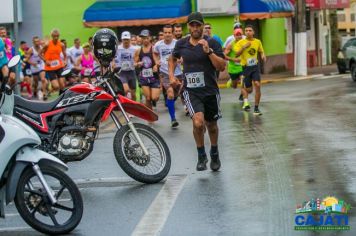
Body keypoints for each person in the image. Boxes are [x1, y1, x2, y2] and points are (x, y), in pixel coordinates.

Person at [169, 12, 225, 171]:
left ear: (202, 25)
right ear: (188, 26)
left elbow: (221, 66)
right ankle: (201, 155)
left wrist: (209, 52)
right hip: (191, 91)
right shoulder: (181, 44)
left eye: (198, 25)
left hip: (210, 91)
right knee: (198, 122)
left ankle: (214, 153)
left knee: (212, 125)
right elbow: (172, 58)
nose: (195, 28)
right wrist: (172, 75)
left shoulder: (212, 42)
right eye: (192, 25)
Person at [154, 25, 183, 128]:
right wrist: (157, 61)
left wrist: (181, 59)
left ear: (172, 33)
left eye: (169, 32)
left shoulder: (177, 43)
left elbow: (182, 54)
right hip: (165, 73)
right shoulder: (158, 45)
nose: (167, 35)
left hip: (178, 73)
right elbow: (155, 53)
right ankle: (173, 119)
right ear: (163, 33)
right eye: (165, 32)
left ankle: (170, 101)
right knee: (170, 94)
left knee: (177, 94)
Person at [235, 25, 266, 115]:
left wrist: (263, 55)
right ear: (245, 32)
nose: (248, 32)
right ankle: (244, 94)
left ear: (253, 32)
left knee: (257, 84)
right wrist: (244, 47)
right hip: (246, 68)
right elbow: (236, 54)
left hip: (255, 67)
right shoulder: (241, 42)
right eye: (246, 30)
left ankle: (256, 108)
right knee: (249, 90)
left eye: (250, 30)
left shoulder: (257, 42)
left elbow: (261, 51)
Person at [134, 29, 160, 110]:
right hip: (144, 77)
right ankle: (150, 116)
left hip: (154, 77)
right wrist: (138, 64)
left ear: (150, 38)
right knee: (148, 98)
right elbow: (134, 63)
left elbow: (158, 61)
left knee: (155, 98)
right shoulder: (138, 51)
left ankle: (154, 100)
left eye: (146, 38)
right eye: (143, 38)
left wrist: (156, 66)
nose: (145, 40)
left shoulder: (154, 49)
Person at [41, 28, 67, 95]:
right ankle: (49, 91)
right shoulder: (47, 45)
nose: (56, 37)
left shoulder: (61, 45)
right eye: (54, 36)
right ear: (52, 36)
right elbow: (40, 53)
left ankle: (61, 97)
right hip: (50, 68)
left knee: (62, 85)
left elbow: (65, 54)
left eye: (57, 36)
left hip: (59, 66)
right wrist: (45, 61)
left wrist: (65, 61)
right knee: (56, 86)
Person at [113, 31, 137, 101]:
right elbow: (112, 58)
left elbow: (137, 58)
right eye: (124, 39)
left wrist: (136, 63)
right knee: (126, 90)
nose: (126, 41)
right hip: (122, 72)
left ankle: (134, 107)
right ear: (122, 39)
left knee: (133, 94)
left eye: (127, 39)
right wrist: (113, 63)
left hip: (131, 72)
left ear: (130, 39)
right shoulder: (117, 48)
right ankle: (127, 106)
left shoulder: (135, 49)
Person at [224, 28, 244, 100]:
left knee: (243, 80)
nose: (239, 36)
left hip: (242, 67)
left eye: (240, 35)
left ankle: (243, 96)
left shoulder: (245, 43)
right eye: (237, 35)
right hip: (233, 68)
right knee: (234, 86)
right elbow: (224, 56)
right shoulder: (231, 45)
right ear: (234, 36)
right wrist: (234, 59)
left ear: (242, 35)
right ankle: (231, 81)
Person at [26, 36, 48, 100]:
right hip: (34, 67)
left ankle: (44, 94)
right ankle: (35, 90)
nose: (37, 43)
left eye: (38, 41)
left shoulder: (42, 48)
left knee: (43, 79)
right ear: (33, 42)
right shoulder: (31, 50)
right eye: (35, 41)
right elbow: (27, 60)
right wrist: (33, 63)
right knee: (36, 83)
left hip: (41, 65)